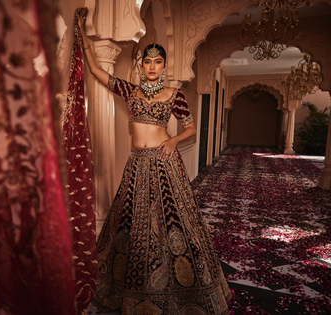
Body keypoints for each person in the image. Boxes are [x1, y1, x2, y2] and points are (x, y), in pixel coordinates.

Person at [78, 15, 231, 315]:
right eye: (147, 61)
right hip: (136, 164)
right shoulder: (130, 91)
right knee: (131, 223)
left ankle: (177, 289)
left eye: (157, 61)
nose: (151, 66)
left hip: (164, 164)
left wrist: (173, 141)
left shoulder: (174, 95)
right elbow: (96, 69)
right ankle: (131, 287)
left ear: (163, 66)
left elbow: (190, 127)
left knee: (172, 223)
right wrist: (83, 35)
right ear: (142, 65)